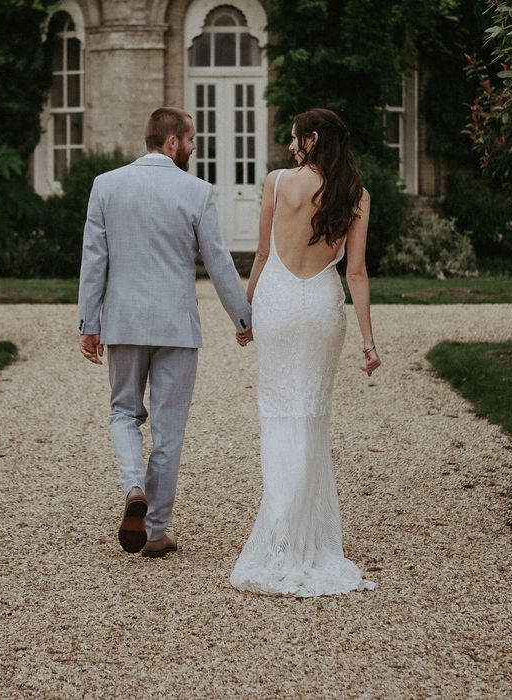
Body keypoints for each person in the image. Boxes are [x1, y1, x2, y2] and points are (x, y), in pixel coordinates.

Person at [77, 107, 251, 558]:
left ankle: (133, 486)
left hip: (125, 321)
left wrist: (88, 323)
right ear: (172, 142)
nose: (194, 149)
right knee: (169, 432)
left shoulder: (106, 185)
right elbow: (218, 261)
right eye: (191, 141)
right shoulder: (196, 191)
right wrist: (243, 319)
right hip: (177, 325)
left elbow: (95, 259)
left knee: (123, 413)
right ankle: (155, 531)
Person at [230, 108, 380, 596]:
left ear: (311, 139)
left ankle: (281, 533)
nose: (291, 145)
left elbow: (262, 256)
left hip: (276, 302)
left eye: (296, 137)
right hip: (319, 305)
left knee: (277, 413)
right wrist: (368, 341)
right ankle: (304, 535)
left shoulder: (276, 183)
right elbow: (355, 273)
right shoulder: (355, 195)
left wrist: (246, 309)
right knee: (312, 414)